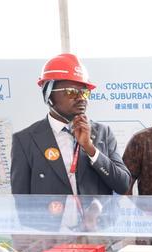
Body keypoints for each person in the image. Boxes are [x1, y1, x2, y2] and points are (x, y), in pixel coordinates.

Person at [11, 53, 130, 195]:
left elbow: (123, 185)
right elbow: (21, 199)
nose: (81, 98)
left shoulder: (103, 133)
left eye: (85, 92)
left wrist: (90, 149)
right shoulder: (25, 140)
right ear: (48, 95)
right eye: (72, 92)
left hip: (95, 211)